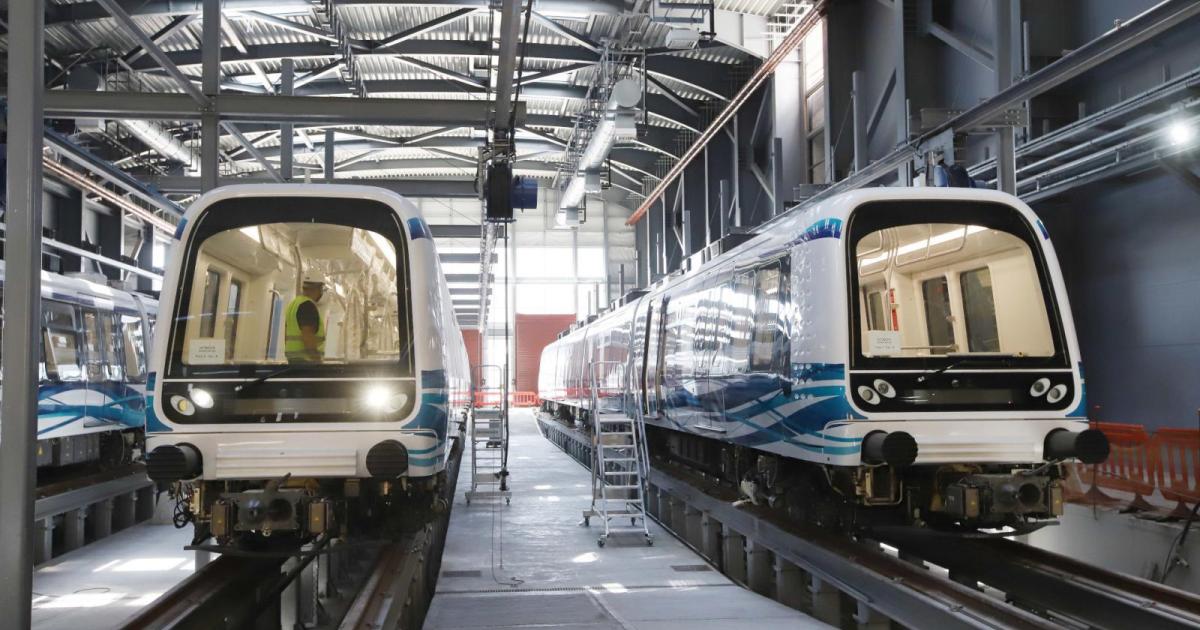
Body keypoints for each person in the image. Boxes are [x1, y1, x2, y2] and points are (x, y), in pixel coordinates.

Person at [285, 273, 326, 363]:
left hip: (293, 361)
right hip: (306, 362)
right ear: (317, 288)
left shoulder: (294, 304)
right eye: (322, 289)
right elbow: (308, 336)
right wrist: (318, 362)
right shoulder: (308, 306)